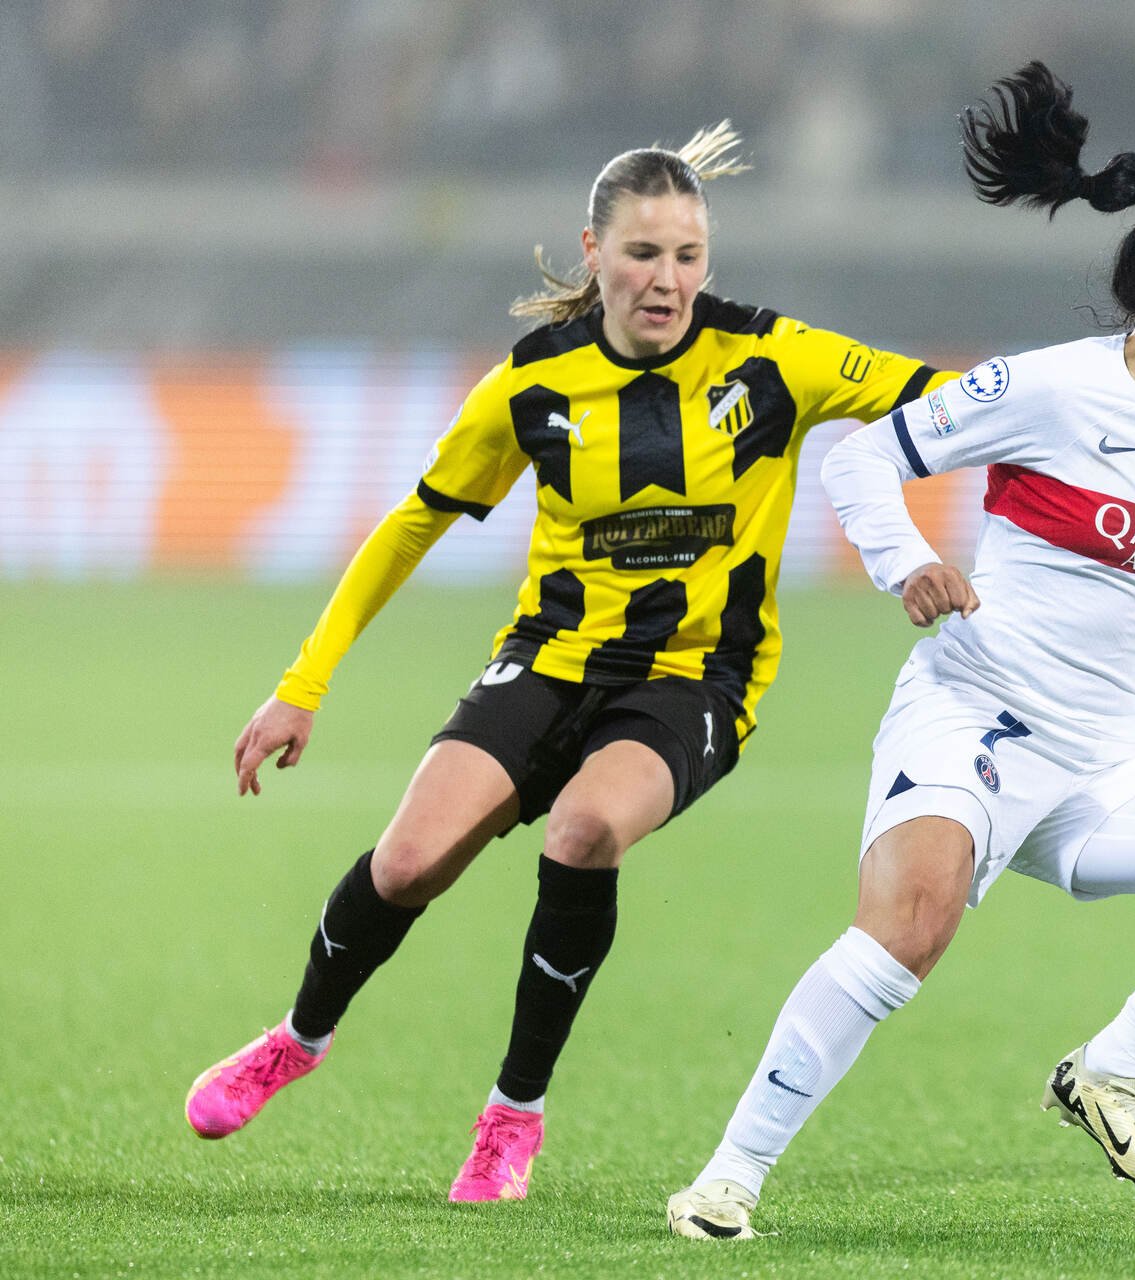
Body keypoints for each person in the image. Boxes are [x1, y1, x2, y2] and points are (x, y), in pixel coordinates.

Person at [184, 123, 954, 1202]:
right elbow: (412, 524)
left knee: (585, 830)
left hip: (695, 679)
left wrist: (1122, 399)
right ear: (592, 249)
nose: (668, 279)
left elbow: (961, 396)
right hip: (547, 659)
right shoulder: (532, 384)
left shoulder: (777, 358)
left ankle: (514, 1113)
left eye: (688, 256)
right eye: (644, 254)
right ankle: (296, 1038)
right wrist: (302, 684)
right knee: (406, 864)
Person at [667, 64, 1135, 1241]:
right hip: (977, 718)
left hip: (1098, 765)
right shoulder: (1054, 390)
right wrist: (904, 559)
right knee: (912, 926)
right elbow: (858, 456)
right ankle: (729, 1175)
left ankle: (1109, 1070)